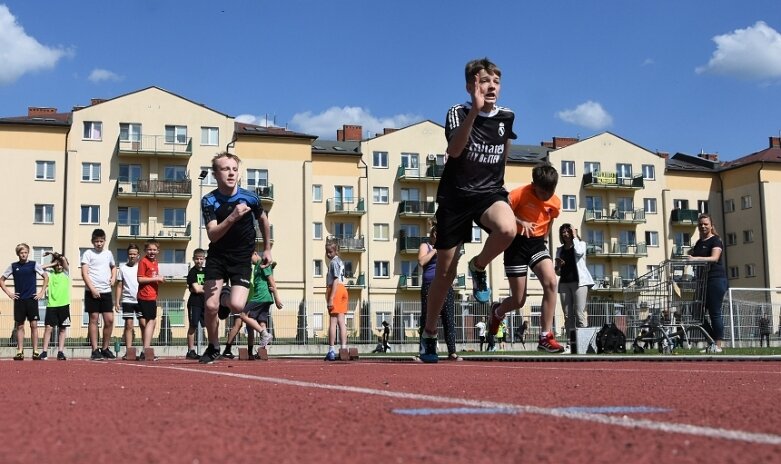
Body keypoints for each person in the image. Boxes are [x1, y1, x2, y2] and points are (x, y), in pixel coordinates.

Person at [420, 57, 518, 363]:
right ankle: (429, 335)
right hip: (456, 196)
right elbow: (454, 150)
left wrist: (500, 185)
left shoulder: (507, 117)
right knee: (445, 273)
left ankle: (478, 266)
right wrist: (474, 112)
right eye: (484, 81)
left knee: (508, 228)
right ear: (470, 86)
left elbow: (504, 152)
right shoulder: (457, 112)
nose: (491, 86)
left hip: (488, 192)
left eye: (496, 82)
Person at [199, 151, 272, 364]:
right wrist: (232, 217)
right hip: (218, 256)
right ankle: (213, 347)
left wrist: (267, 249)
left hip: (242, 258)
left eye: (234, 169)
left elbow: (264, 221)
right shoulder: (209, 200)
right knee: (210, 307)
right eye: (225, 169)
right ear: (215, 174)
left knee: (238, 306)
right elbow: (212, 234)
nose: (231, 173)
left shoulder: (250, 198)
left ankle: (226, 297)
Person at [486, 162, 565, 353]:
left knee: (551, 283)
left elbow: (551, 220)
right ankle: (498, 311)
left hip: (537, 244)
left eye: (550, 191)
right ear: (533, 184)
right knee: (519, 300)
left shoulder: (554, 202)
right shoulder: (520, 193)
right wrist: (521, 222)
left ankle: (545, 336)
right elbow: (502, 214)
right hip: (516, 245)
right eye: (542, 192)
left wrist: (545, 239)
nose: (546, 196)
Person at [223, 252, 282, 359]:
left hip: (257, 298)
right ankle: (259, 347)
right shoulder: (254, 268)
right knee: (257, 322)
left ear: (254, 253)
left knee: (244, 317)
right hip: (253, 299)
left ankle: (261, 338)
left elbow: (271, 280)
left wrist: (276, 297)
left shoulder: (261, 264)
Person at [418, 224, 461, 361]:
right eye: (436, 234)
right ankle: (424, 350)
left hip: (445, 284)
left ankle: (452, 352)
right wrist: (435, 251)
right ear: (432, 235)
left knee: (448, 318)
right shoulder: (426, 246)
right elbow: (421, 261)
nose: (439, 237)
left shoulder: (447, 247)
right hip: (429, 284)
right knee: (427, 317)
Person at [688, 213, 728, 353]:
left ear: (711, 225)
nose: (703, 226)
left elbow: (715, 258)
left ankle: (718, 344)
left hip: (715, 280)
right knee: (696, 312)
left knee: (714, 312)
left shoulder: (716, 240)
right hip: (702, 281)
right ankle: (711, 342)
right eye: (700, 224)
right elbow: (694, 257)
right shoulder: (699, 243)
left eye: (705, 224)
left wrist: (695, 259)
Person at [1, 243, 48, 360]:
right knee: (20, 326)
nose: (24, 254)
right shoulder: (13, 266)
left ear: (28, 253)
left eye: (26, 252)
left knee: (34, 325)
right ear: (18, 254)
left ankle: (36, 351)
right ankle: (20, 351)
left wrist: (42, 292)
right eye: (21, 253)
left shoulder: (34, 264)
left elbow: (46, 277)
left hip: (32, 299)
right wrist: (9, 293)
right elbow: (1, 280)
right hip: (19, 300)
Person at [81, 229, 117, 360]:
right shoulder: (88, 254)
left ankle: (105, 348)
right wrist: (92, 289)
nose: (99, 244)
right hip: (92, 292)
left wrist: (113, 277)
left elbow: (113, 267)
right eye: (96, 241)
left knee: (109, 320)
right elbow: (84, 273)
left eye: (101, 241)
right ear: (92, 241)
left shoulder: (108, 253)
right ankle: (95, 350)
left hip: (106, 291)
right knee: (94, 319)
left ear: (104, 241)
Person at [555, 224, 595, 335]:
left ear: (573, 232)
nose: (566, 234)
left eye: (568, 231)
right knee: (568, 315)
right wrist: (558, 266)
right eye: (563, 232)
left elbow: (579, 252)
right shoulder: (559, 250)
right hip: (564, 284)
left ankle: (584, 344)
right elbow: (558, 272)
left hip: (580, 284)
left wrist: (575, 237)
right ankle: (570, 344)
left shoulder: (581, 244)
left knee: (579, 314)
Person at [136, 239, 164, 360]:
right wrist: (155, 279)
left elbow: (153, 277)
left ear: (158, 251)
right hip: (145, 295)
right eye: (149, 249)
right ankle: (146, 350)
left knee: (151, 322)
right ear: (145, 250)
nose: (152, 252)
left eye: (154, 249)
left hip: (152, 295)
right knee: (151, 321)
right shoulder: (143, 261)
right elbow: (140, 279)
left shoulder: (155, 263)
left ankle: (146, 349)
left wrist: (159, 279)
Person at [40, 251, 70, 360]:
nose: (60, 266)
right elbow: (39, 268)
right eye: (58, 264)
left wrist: (53, 254)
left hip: (64, 305)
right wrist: (53, 263)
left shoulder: (66, 273)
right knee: (48, 328)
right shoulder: (50, 273)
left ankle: (60, 352)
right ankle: (44, 352)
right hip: (52, 305)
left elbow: (64, 260)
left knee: (63, 328)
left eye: (61, 264)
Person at [115, 243, 142, 360]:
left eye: (134, 254)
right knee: (128, 325)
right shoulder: (122, 268)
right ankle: (129, 351)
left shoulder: (141, 267)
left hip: (141, 299)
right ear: (127, 255)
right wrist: (117, 301)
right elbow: (119, 285)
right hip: (127, 300)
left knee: (144, 324)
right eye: (130, 254)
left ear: (138, 255)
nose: (132, 256)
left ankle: (145, 349)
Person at [324, 238, 348, 361]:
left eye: (330, 252)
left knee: (333, 321)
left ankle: (331, 350)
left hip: (336, 290)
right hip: (343, 289)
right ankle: (344, 348)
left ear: (336, 251)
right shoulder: (340, 262)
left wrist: (331, 298)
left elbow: (335, 280)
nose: (328, 254)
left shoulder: (333, 263)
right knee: (341, 321)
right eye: (327, 252)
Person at [185, 248, 206, 359]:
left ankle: (211, 348)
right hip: (195, 303)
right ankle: (191, 350)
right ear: (193, 259)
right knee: (193, 326)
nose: (199, 261)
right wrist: (204, 288)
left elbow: (213, 286)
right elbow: (196, 289)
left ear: (204, 259)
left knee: (208, 325)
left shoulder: (207, 271)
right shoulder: (192, 272)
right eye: (197, 259)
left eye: (201, 258)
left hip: (205, 302)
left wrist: (201, 288)